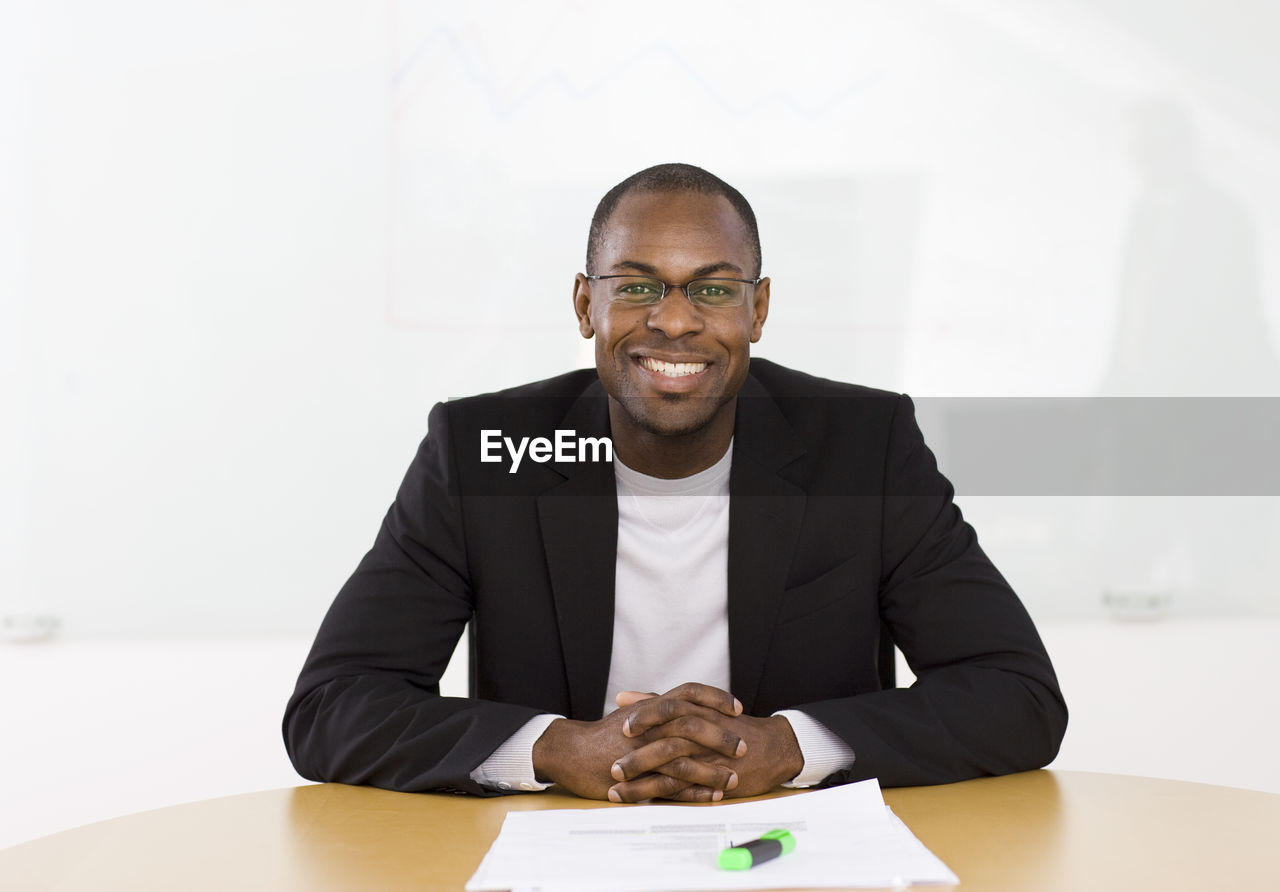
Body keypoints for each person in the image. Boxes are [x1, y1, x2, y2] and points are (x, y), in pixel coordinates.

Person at [283, 163, 1067, 803]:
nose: (676, 320)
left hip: (797, 857)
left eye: (714, 289)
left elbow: (1016, 695)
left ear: (758, 310)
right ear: (585, 303)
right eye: (636, 285)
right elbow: (331, 707)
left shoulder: (864, 448)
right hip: (563, 858)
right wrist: (554, 750)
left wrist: (788, 746)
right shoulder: (488, 451)